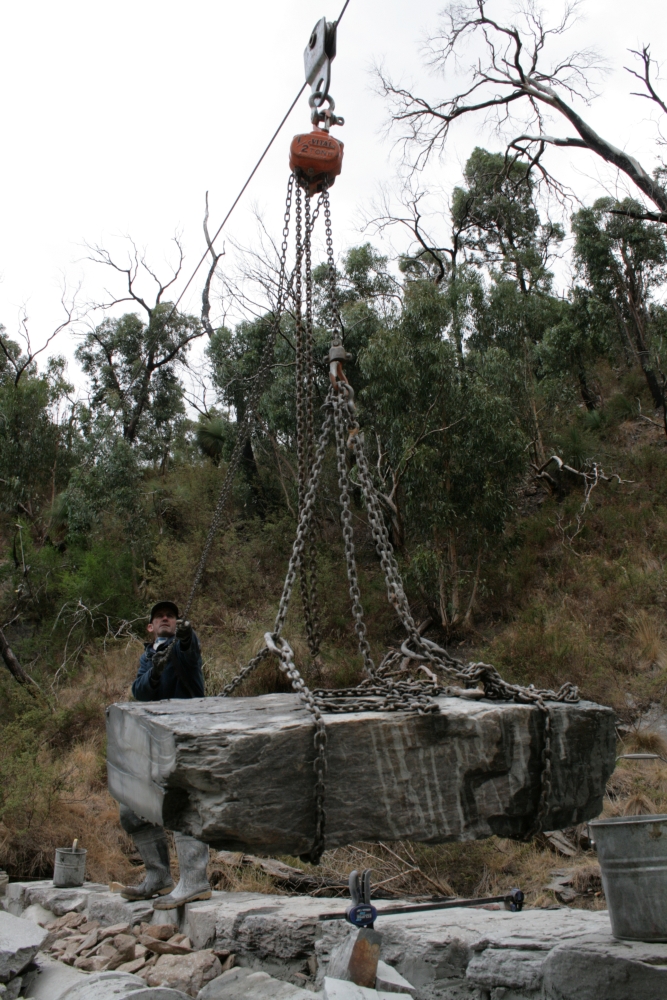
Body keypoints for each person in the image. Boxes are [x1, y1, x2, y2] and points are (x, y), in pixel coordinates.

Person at [119, 600, 212, 909]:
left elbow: (190, 650)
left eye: (170, 616)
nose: (165, 619)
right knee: (131, 806)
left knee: (183, 804)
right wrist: (155, 673)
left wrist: (187, 636)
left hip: (186, 733)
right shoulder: (148, 656)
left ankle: (195, 881)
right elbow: (139, 691)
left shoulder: (182, 647)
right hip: (153, 737)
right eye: (160, 616)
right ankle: (158, 877)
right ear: (150, 626)